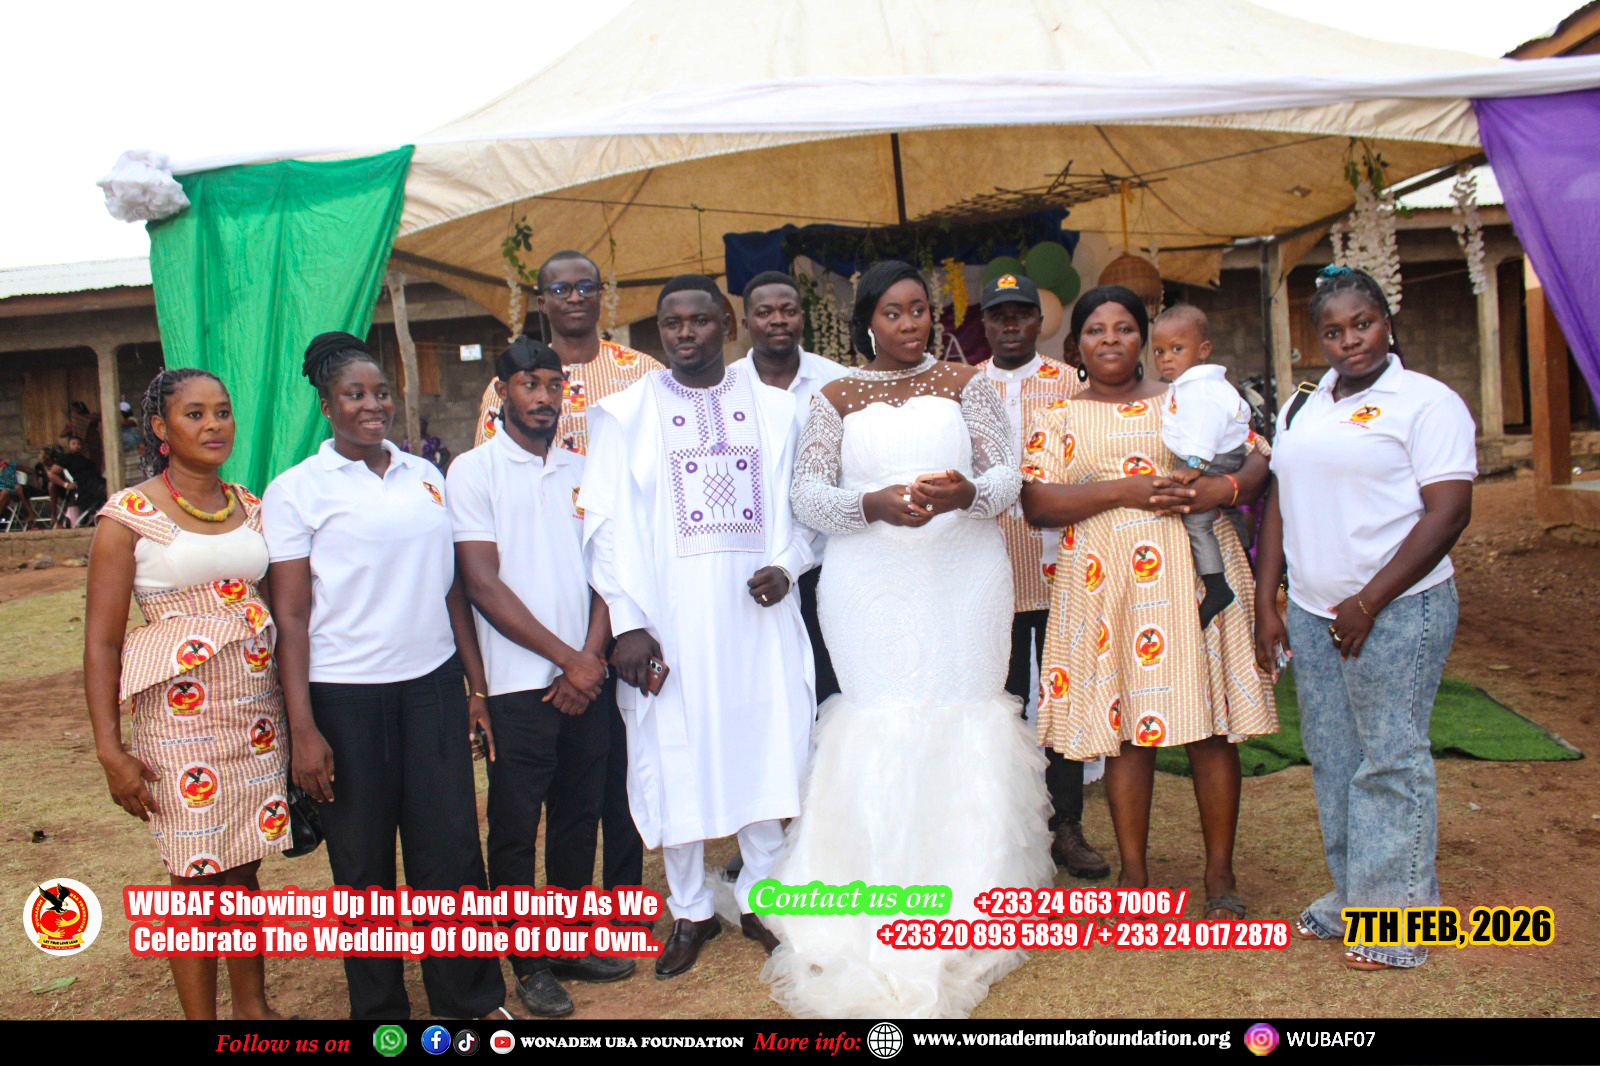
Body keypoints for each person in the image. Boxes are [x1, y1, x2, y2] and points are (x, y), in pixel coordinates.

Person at [767, 260, 1051, 1019]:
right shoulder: (832, 398)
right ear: (868, 321)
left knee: (964, 709)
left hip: (964, 575)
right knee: (880, 714)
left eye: (920, 310)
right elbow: (807, 496)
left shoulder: (968, 385)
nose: (909, 324)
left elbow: (1009, 478)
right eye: (893, 312)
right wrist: (873, 505)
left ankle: (974, 886)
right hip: (869, 581)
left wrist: (967, 493)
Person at [263, 332, 510, 1021]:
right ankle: (378, 1013)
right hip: (343, 698)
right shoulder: (295, 491)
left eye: (380, 393)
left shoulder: (425, 475)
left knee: (450, 852)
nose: (373, 405)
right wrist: (303, 730)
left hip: (431, 688)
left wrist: (475, 688)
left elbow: (451, 589)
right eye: (355, 394)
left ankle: (468, 1001)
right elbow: (290, 616)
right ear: (326, 405)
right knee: (362, 865)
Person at [580, 275, 815, 979]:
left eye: (700, 320)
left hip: (754, 619)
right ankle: (690, 910)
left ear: (727, 325)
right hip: (667, 623)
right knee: (673, 753)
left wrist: (789, 566)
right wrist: (627, 624)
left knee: (762, 743)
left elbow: (807, 507)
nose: (685, 333)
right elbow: (604, 524)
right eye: (671, 323)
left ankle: (764, 901)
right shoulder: (625, 414)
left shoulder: (777, 409)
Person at [1020, 286, 1277, 922]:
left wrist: (1223, 488)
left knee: (1209, 729)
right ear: (1076, 344)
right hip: (1107, 585)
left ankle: (1220, 876)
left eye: (1125, 328)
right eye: (1095, 330)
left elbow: (1258, 461)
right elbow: (1038, 503)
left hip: (1193, 579)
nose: (1110, 339)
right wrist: (1127, 490)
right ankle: (1135, 877)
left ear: (1145, 339)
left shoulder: (1187, 394)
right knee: (1127, 733)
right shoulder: (1059, 415)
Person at [1254, 266, 1474, 971]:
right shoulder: (1304, 404)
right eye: (1333, 331)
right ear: (1317, 339)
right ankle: (1356, 896)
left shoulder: (1427, 403)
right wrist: (1267, 599)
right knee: (1335, 759)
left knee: (1390, 758)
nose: (1350, 340)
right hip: (1315, 611)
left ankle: (1397, 922)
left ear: (1387, 320)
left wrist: (1369, 602)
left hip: (1397, 609)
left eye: (1363, 324)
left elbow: (1449, 512)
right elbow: (1281, 501)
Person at [82, 367, 286, 1020]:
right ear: (161, 429)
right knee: (194, 877)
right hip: (178, 722)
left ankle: (252, 1011)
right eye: (194, 414)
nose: (213, 424)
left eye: (222, 411)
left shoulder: (251, 506)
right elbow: (102, 643)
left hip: (255, 715)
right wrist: (110, 749)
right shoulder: (129, 518)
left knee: (244, 865)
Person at [447, 337, 634, 1017]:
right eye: (530, 384)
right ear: (502, 393)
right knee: (516, 826)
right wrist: (569, 660)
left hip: (585, 677)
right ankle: (527, 963)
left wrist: (589, 660)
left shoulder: (584, 468)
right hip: (518, 684)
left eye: (555, 386)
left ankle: (568, 942)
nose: (544, 397)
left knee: (579, 815)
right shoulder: (473, 471)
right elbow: (481, 584)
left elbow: (609, 572)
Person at [474, 250, 653, 903]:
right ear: (541, 298)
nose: (574, 297)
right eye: (560, 288)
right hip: (535, 635)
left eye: (585, 286)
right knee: (537, 803)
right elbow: (492, 532)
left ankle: (618, 910)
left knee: (617, 772)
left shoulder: (643, 374)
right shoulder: (497, 405)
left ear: (602, 293)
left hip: (622, 600)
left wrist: (602, 644)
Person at [979, 272, 1111, 881]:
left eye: (1021, 313)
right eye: (999, 315)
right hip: (990, 572)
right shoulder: (967, 386)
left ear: (1040, 321)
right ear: (985, 323)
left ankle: (1066, 826)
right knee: (1001, 701)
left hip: (1064, 570)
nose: (1011, 325)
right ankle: (1007, 827)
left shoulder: (1072, 384)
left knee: (1062, 698)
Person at [728, 270, 849, 703]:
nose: (778, 319)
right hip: (752, 571)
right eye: (765, 312)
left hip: (824, 567)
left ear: (802, 318)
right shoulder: (725, 387)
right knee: (761, 693)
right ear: (746, 324)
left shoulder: (838, 382)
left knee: (829, 691)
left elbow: (847, 477)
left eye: (788, 310)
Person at [1151, 304, 1253, 629]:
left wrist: (1194, 464)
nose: (1166, 358)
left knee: (1196, 519)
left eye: (1176, 349)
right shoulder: (1189, 384)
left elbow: (1205, 428)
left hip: (1213, 455)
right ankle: (1240, 544)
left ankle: (1216, 585)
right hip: (1219, 452)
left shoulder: (1200, 388)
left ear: (1203, 350)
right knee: (1221, 511)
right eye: (1159, 351)